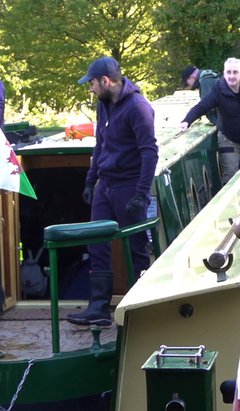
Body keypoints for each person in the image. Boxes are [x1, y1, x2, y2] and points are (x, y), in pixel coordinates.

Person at [68, 56, 158, 327]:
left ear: (105, 81)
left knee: (136, 247)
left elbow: (149, 152)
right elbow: (101, 145)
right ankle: (98, 308)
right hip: (105, 186)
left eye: (92, 83)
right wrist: (90, 181)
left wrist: (141, 194)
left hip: (129, 186)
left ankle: (141, 308)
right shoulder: (103, 105)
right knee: (96, 243)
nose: (91, 88)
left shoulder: (138, 108)